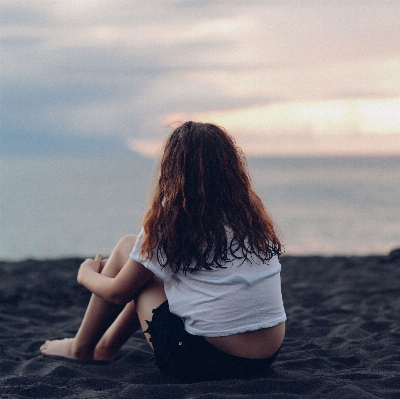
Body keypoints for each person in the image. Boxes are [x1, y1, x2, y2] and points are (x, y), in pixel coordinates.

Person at [40, 121, 286, 381]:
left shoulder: (173, 224)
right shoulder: (251, 220)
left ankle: (81, 348)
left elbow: (116, 293)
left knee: (130, 254)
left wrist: (85, 273)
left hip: (205, 361)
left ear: (173, 170)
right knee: (144, 266)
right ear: (231, 168)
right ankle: (104, 347)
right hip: (264, 358)